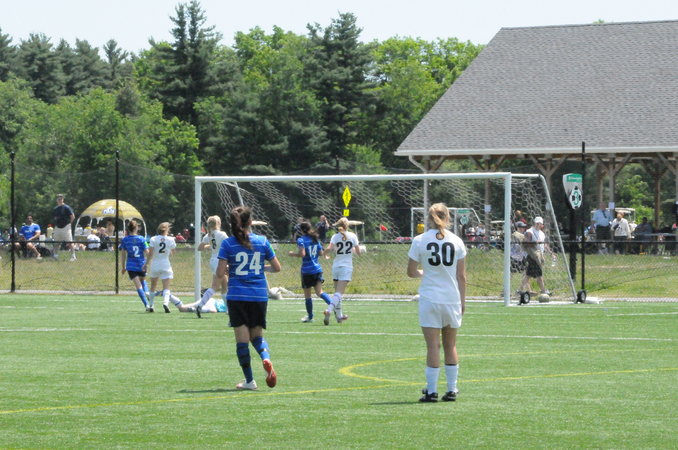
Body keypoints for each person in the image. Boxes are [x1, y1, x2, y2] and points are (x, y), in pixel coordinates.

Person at [407, 203, 467, 403]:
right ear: (448, 217)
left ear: (429, 218)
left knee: (433, 346)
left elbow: (411, 272)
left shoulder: (419, 240)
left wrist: (423, 273)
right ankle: (451, 389)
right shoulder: (457, 241)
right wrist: (462, 301)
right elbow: (461, 276)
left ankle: (431, 391)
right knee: (450, 345)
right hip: (451, 299)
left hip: (430, 299)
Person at [218, 206, 281, 390]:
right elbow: (277, 268)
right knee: (257, 336)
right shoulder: (262, 241)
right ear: (251, 222)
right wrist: (262, 268)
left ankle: (250, 381)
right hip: (259, 295)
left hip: (237, 295)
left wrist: (230, 268)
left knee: (242, 341)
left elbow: (220, 273)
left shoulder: (228, 244)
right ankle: (265, 357)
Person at [288, 220, 334, 323]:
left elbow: (302, 254)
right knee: (320, 292)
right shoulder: (315, 239)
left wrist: (292, 254)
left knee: (307, 296)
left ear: (301, 230)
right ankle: (333, 305)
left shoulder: (301, 240)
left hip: (307, 271)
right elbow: (321, 253)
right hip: (317, 269)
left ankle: (310, 317)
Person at [323, 217, 361, 325]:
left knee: (337, 293)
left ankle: (339, 316)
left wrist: (324, 254)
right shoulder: (353, 236)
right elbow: (358, 252)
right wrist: (359, 249)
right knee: (339, 293)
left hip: (336, 266)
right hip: (346, 267)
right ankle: (329, 310)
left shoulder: (335, 236)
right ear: (347, 226)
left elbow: (329, 248)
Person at [195, 215, 229, 317]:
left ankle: (228, 310)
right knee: (215, 287)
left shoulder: (209, 235)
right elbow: (229, 245)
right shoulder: (222, 234)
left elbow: (200, 248)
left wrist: (209, 246)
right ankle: (200, 305)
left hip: (213, 260)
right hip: (220, 261)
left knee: (225, 286)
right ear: (218, 223)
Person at [119, 220, 152, 312]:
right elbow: (148, 252)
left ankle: (146, 305)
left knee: (138, 286)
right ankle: (147, 292)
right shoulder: (142, 239)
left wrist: (123, 267)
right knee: (143, 281)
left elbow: (123, 255)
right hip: (141, 264)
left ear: (128, 229)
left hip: (131, 266)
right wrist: (147, 263)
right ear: (137, 228)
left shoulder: (125, 240)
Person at [146, 222, 177, 313]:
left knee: (153, 285)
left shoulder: (153, 239)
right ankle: (166, 303)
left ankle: (151, 305)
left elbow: (150, 253)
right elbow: (173, 252)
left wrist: (146, 264)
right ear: (167, 230)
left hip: (155, 264)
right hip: (165, 264)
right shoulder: (170, 239)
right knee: (166, 286)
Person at [519, 216, 550, 296]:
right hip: (532, 256)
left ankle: (520, 290)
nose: (538, 225)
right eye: (537, 223)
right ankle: (543, 290)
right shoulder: (529, 232)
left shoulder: (542, 233)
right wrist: (535, 242)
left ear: (542, 225)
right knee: (539, 274)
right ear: (534, 223)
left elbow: (544, 244)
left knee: (528, 275)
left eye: (539, 223)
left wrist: (550, 252)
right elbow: (525, 243)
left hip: (539, 256)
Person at [52, 194, 77, 261]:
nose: (59, 200)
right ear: (56, 200)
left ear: (63, 199)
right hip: (57, 227)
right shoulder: (55, 209)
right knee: (56, 242)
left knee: (70, 242)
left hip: (66, 227)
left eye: (61, 199)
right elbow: (55, 218)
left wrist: (69, 224)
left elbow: (73, 217)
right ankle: (55, 255)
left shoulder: (67, 207)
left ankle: (73, 256)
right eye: (58, 199)